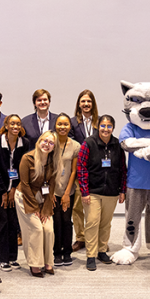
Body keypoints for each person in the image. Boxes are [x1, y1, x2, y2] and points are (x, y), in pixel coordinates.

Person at [77, 115, 127, 271]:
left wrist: (122, 190)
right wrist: (84, 191)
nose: (106, 129)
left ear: (113, 127)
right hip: (92, 191)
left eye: (109, 126)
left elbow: (123, 169)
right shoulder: (89, 143)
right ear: (98, 126)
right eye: (103, 126)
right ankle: (90, 255)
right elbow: (81, 168)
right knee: (92, 222)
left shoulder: (117, 145)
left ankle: (102, 250)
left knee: (105, 224)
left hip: (111, 191)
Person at [0, 114, 30, 271]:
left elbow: (22, 168)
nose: (15, 126)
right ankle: (1, 259)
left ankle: (13, 257)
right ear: (5, 125)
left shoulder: (24, 143)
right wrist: (4, 192)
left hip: (15, 189)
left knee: (14, 222)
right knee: (2, 222)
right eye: (12, 124)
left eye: (18, 124)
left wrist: (14, 189)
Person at [16, 131, 58, 277]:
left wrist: (46, 209)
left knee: (48, 229)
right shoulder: (27, 158)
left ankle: (47, 262)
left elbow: (51, 187)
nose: (47, 144)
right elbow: (25, 184)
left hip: (43, 198)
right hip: (25, 197)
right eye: (44, 141)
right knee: (37, 229)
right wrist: (35, 208)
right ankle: (35, 264)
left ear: (54, 147)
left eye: (51, 142)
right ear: (39, 141)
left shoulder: (53, 161)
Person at [70, 90, 100, 252]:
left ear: (93, 103)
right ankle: (80, 237)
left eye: (89, 101)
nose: (86, 104)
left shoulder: (100, 122)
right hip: (79, 170)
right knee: (77, 206)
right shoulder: (73, 122)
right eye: (83, 101)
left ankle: (96, 238)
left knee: (96, 205)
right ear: (79, 104)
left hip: (97, 170)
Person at [52, 114, 80, 267]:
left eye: (65, 124)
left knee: (66, 221)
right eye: (59, 124)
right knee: (56, 221)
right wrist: (50, 194)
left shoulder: (75, 146)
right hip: (52, 190)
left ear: (70, 126)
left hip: (67, 188)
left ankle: (67, 252)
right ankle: (56, 252)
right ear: (55, 125)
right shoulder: (50, 142)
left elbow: (74, 171)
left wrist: (67, 193)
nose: (62, 127)